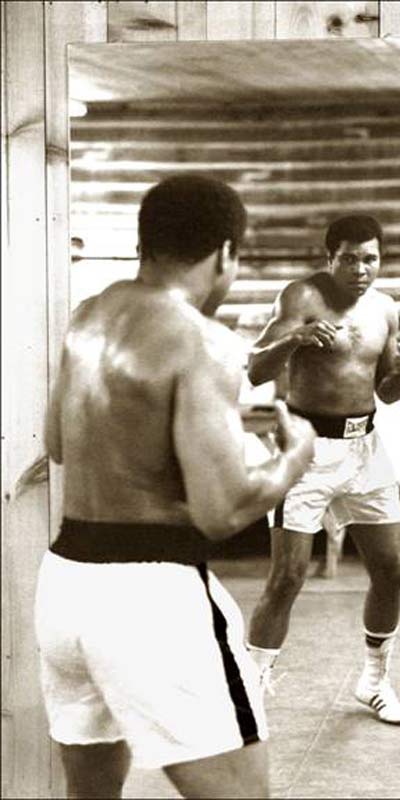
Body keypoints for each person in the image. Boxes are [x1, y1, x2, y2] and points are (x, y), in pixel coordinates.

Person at [34, 174, 316, 800]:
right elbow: (223, 511)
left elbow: (57, 442)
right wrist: (295, 457)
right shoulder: (203, 340)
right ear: (224, 253)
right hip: (151, 594)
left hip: (65, 584)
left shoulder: (90, 316)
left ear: (147, 242)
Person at [246, 214, 400, 725]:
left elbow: (384, 388)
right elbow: (255, 369)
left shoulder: (385, 308)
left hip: (365, 448)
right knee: (288, 578)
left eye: (370, 259)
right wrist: (294, 340)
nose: (360, 269)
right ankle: (251, 693)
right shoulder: (299, 298)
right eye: (349, 258)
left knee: (391, 570)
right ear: (330, 257)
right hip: (306, 449)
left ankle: (374, 680)